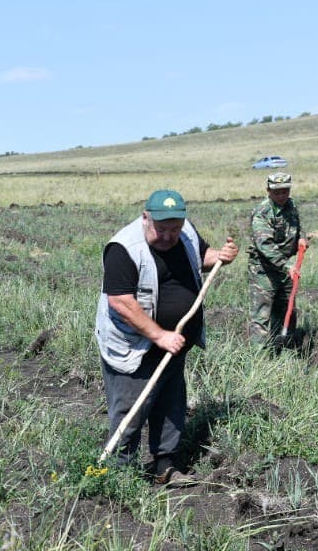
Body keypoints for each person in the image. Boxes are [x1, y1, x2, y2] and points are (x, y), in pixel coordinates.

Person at [95, 189, 238, 483]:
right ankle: (117, 476)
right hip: (134, 346)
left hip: (174, 342)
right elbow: (121, 302)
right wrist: (159, 335)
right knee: (131, 410)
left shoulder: (184, 232)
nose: (169, 236)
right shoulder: (123, 248)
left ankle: (165, 467)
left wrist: (220, 257)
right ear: (146, 217)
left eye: (175, 228)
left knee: (171, 404)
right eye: (162, 229)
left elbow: (201, 256)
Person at [248, 172, 308, 349]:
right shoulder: (262, 212)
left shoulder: (291, 205)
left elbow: (297, 226)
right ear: (268, 191)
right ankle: (261, 356)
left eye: (285, 191)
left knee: (287, 308)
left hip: (286, 267)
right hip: (264, 268)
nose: (282, 196)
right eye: (277, 192)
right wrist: (286, 265)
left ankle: (287, 347)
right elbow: (264, 244)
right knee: (262, 313)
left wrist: (301, 238)